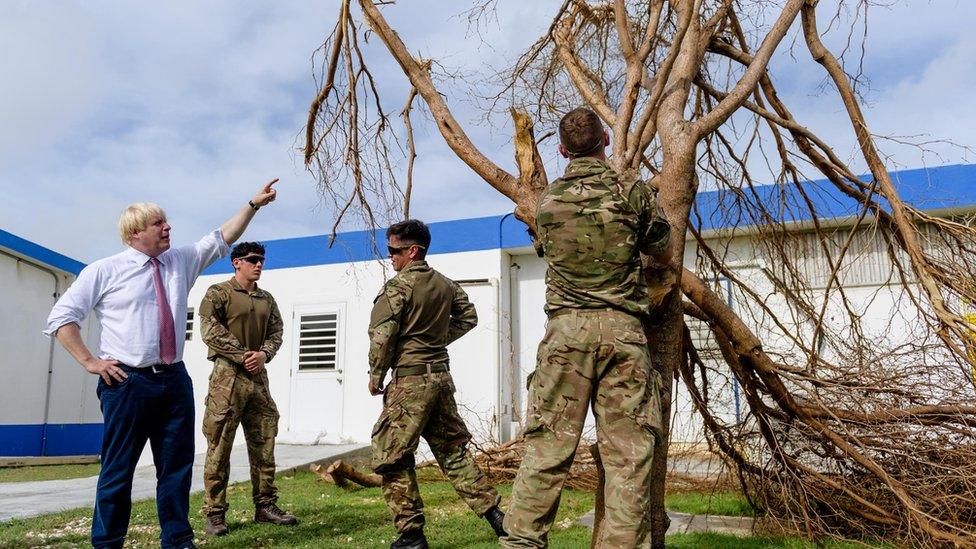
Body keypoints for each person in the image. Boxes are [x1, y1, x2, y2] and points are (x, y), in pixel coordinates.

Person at [44, 180, 279, 549]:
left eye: (167, 221)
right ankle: (107, 543)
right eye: (159, 224)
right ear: (136, 233)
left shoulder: (179, 261)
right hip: (127, 383)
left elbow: (221, 237)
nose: (168, 227)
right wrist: (90, 361)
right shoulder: (104, 271)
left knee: (176, 470)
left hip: (174, 381)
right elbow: (62, 318)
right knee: (118, 471)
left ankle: (178, 540)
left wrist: (253, 203)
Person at [502, 107, 673, 548]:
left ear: (561, 149)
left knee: (545, 452)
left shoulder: (545, 203)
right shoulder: (631, 192)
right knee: (629, 457)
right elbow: (662, 247)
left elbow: (547, 247)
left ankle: (520, 542)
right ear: (607, 143)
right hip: (622, 331)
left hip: (566, 336)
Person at [368, 219, 506, 549]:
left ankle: (411, 535)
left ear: (413, 251)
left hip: (411, 382)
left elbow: (381, 337)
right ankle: (499, 519)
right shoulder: (445, 284)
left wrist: (375, 375)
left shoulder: (396, 287)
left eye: (394, 250)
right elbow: (468, 317)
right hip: (441, 379)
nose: (391, 257)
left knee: (392, 456)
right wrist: (435, 340)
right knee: (453, 453)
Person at [197, 241, 296, 536]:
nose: (259, 265)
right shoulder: (218, 293)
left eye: (261, 260)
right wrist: (242, 355)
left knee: (265, 441)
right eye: (252, 259)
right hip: (227, 378)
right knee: (220, 444)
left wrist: (264, 354)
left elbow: (277, 331)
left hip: (258, 379)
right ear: (236, 262)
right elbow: (209, 330)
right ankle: (215, 513)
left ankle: (265, 505)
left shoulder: (267, 299)